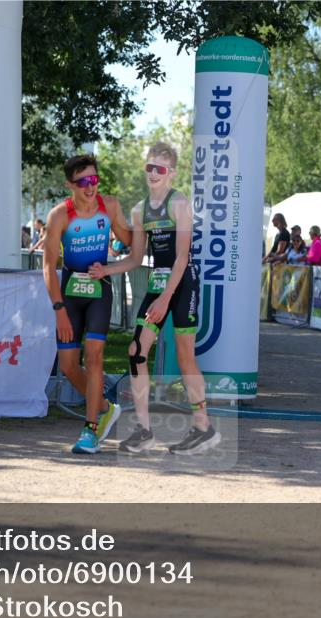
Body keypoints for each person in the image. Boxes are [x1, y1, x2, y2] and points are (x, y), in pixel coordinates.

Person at [97, 141, 219, 455]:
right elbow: (136, 259)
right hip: (159, 280)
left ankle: (203, 427)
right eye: (150, 167)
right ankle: (144, 430)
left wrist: (165, 299)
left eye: (160, 169)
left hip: (183, 281)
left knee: (185, 356)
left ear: (171, 174)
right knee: (136, 350)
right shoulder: (139, 210)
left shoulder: (179, 203)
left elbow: (181, 258)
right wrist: (105, 270)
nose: (153, 173)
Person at [42, 154, 133, 454]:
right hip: (69, 294)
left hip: (99, 290)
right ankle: (105, 407)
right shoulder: (59, 216)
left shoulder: (110, 207)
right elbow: (48, 266)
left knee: (94, 357)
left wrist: (149, 226)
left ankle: (90, 429)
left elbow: (128, 239)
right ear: (70, 184)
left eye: (94, 179)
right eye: (83, 182)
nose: (90, 187)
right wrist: (59, 311)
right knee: (68, 366)